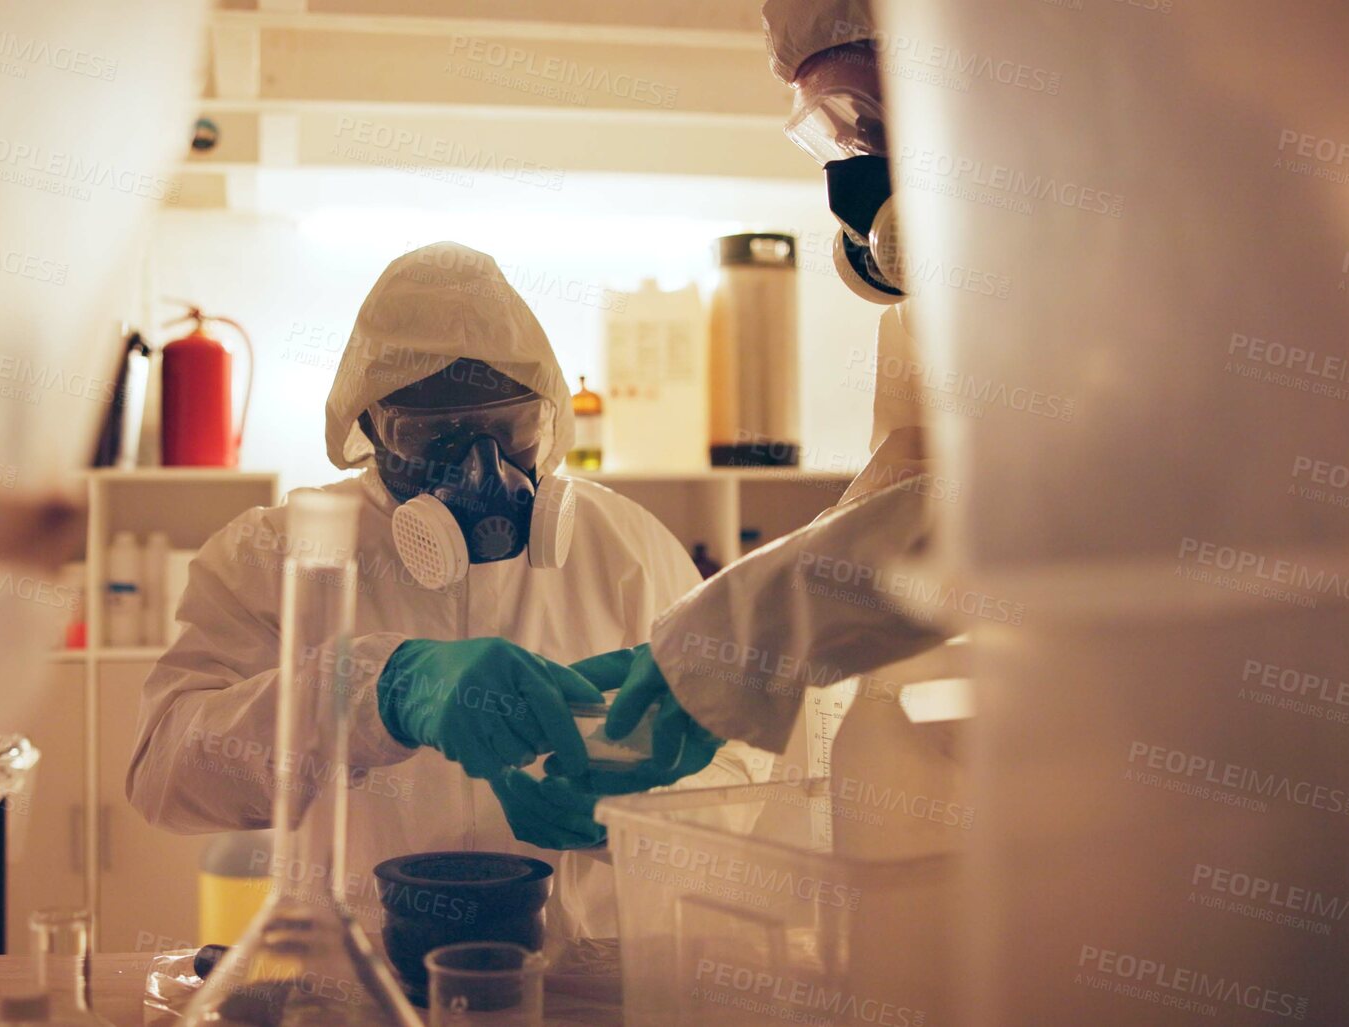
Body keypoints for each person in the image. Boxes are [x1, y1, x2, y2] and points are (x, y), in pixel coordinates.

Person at [126, 241, 761, 940]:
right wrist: (375, 691)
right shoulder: (278, 552)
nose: (480, 467)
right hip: (363, 980)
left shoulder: (626, 545)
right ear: (368, 427)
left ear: (547, 415)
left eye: (508, 426)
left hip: (583, 982)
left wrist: (637, 812)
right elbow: (164, 776)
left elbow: (736, 760)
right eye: (434, 434)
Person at [542, 0, 951, 788]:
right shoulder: (939, 298)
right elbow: (911, 484)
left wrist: (744, 631)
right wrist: (729, 646)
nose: (855, 163)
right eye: (832, 133)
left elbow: (1035, 504)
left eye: (865, 118)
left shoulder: (1107, 242)